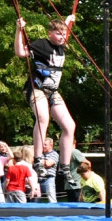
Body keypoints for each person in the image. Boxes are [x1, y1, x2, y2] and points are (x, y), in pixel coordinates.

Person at [15, 16, 76, 187]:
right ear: (50, 34)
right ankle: (38, 159)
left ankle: (64, 167)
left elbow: (65, 32)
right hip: (36, 88)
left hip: (52, 91)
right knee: (43, 118)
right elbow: (20, 53)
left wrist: (68, 20)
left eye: (63, 34)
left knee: (70, 126)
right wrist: (19, 30)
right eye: (57, 33)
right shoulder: (42, 44)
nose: (62, 36)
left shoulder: (62, 46)